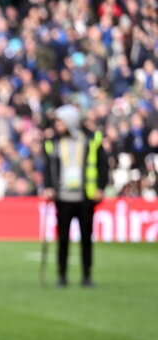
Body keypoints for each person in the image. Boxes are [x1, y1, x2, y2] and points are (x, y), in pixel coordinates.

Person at [42, 105, 108, 287]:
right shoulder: (53, 142)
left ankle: (87, 276)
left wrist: (101, 187)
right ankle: (62, 276)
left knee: (86, 238)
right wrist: (48, 187)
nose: (57, 124)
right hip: (62, 198)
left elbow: (103, 165)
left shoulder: (91, 139)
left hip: (85, 197)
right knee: (63, 238)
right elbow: (48, 167)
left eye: (60, 121)